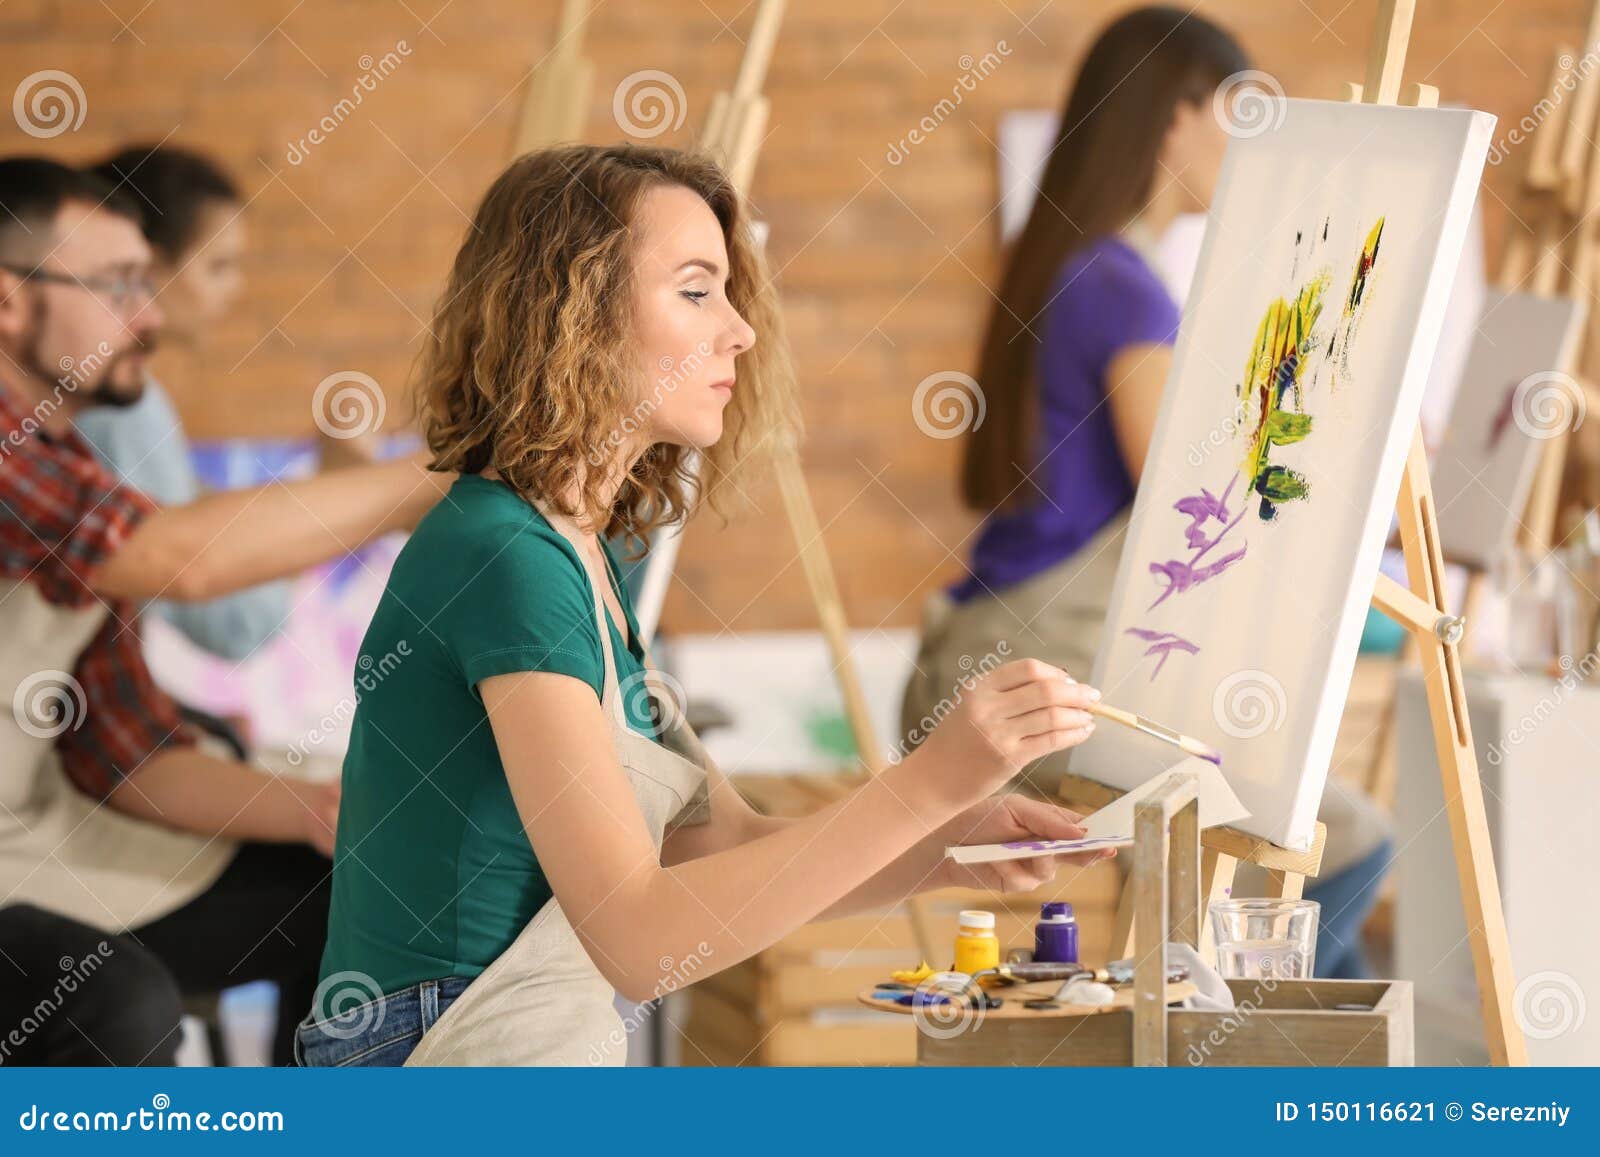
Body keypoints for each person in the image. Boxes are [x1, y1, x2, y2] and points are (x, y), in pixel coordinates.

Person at [295, 143, 1112, 1068]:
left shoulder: (573, 552)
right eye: (695, 291)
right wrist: (927, 783)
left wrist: (948, 838)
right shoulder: (505, 557)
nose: (741, 331)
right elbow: (640, 941)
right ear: (573, 315)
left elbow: (719, 845)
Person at [897, 7, 1390, 979]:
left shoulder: (1062, 265)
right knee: (1344, 830)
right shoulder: (1121, 287)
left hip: (993, 667)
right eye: (1237, 115)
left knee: (1237, 872)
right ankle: (1234, 1086)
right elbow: (1197, 502)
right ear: (1175, 115)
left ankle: (1201, 1063)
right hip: (1046, 681)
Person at [0, 157, 452, 1063]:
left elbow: (127, 753)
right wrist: (436, 477)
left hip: (36, 842)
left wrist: (322, 810)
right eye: (120, 285)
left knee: (351, 899)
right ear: (10, 302)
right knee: (121, 1004)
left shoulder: (75, 462)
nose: (153, 315)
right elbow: (181, 563)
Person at [75, 144, 353, 664]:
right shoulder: (118, 406)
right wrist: (340, 488)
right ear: (145, 268)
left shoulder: (121, 398)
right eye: (219, 266)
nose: (236, 289)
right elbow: (228, 616)